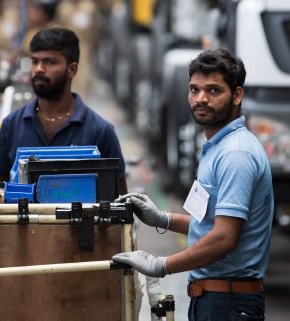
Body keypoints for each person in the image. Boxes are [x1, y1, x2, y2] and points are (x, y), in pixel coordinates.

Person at [114, 49, 273, 321]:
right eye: (194, 89)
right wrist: (163, 219)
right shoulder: (218, 146)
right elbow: (213, 225)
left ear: (237, 96)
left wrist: (162, 265)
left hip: (228, 304)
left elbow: (224, 238)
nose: (201, 99)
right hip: (215, 299)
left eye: (213, 90)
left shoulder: (236, 154)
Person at [0, 27, 127, 194]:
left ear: (72, 69)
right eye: (34, 61)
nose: (39, 69)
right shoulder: (11, 126)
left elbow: (120, 204)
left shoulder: (100, 131)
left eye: (50, 62)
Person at [56, 0, 98, 98]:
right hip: (67, 46)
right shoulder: (63, 7)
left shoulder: (89, 5)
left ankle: (81, 101)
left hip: (84, 46)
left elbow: (95, 26)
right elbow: (59, 25)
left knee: (83, 75)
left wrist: (96, 42)